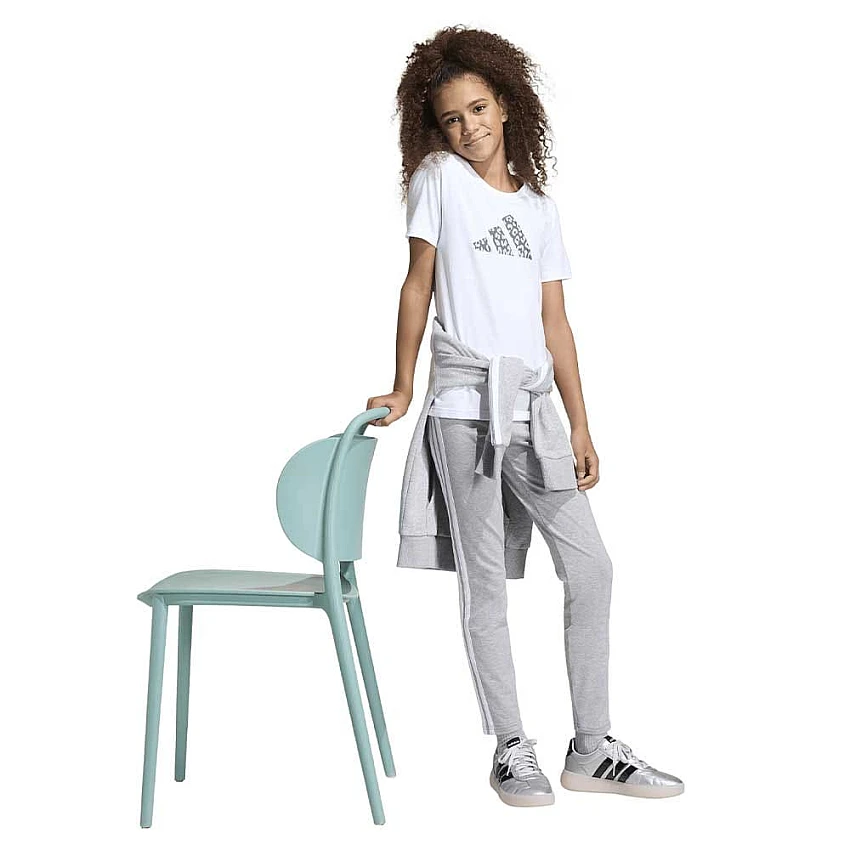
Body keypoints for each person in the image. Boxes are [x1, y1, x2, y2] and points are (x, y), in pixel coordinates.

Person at [367, 25, 684, 807]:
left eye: (478, 109)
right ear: (437, 129)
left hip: (535, 413)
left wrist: (580, 423)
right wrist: (403, 386)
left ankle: (592, 748)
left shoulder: (540, 210)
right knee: (486, 582)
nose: (468, 127)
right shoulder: (439, 179)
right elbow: (417, 284)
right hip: (463, 411)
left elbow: (556, 325)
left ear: (506, 106)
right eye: (451, 118)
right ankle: (512, 748)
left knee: (592, 568)